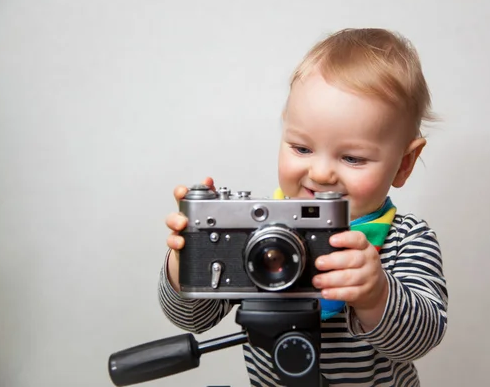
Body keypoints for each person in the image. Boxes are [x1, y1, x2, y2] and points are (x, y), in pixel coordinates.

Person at [159, 28, 448, 386]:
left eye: (352, 157)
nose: (321, 173)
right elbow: (193, 319)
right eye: (301, 148)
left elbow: (420, 339)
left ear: (404, 164)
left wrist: (377, 294)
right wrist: (185, 263)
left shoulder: (405, 240)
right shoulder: (258, 233)